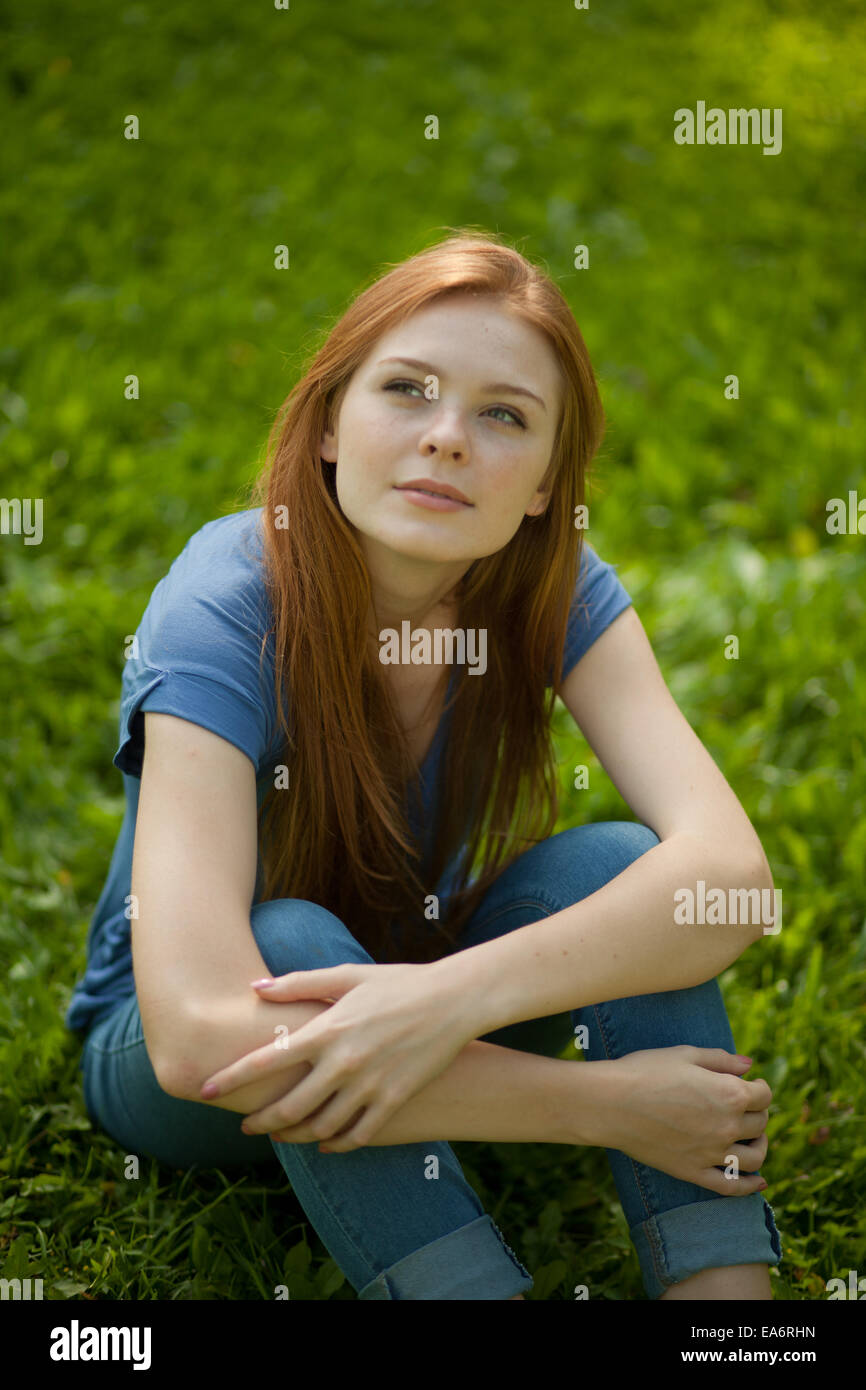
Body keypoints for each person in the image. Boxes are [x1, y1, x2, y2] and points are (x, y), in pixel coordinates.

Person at [67, 229, 782, 1300]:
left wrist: (442, 1000)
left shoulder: (550, 589)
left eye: (504, 415)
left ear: (543, 483)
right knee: (291, 942)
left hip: (420, 972)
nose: (447, 438)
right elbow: (193, 1031)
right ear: (325, 425)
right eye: (407, 390)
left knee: (619, 863)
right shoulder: (221, 608)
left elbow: (728, 884)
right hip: (185, 1061)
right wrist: (600, 1103)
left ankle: (727, 1316)